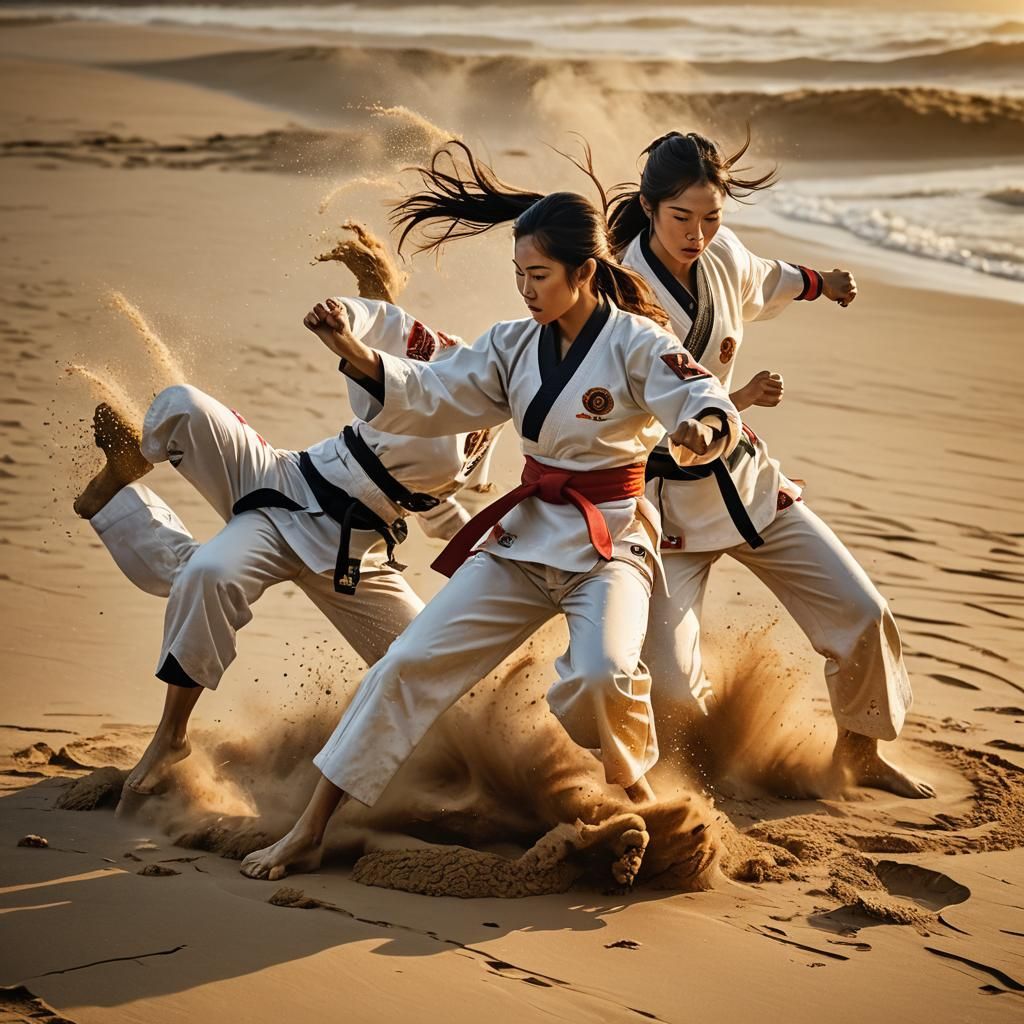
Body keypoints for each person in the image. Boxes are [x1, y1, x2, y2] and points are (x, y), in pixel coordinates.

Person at [240, 143, 741, 881]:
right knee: (407, 664)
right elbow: (434, 393)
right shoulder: (513, 345)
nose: (526, 291)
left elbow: (701, 397)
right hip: (524, 538)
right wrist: (357, 354)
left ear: (583, 271)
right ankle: (312, 828)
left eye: (537, 277)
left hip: (611, 546)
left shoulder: (639, 343)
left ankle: (637, 797)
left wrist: (703, 429)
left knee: (602, 676)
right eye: (518, 277)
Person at [609, 130, 931, 798]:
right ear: (647, 206)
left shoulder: (721, 251)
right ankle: (702, 784)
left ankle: (860, 752)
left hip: (749, 483)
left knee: (862, 614)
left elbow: (768, 277)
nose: (698, 234)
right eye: (681, 218)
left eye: (712, 217)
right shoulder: (615, 293)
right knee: (667, 679)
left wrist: (825, 283)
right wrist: (735, 399)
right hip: (666, 509)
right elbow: (613, 418)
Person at [73, 303, 497, 798]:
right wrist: (344, 317)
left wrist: (488, 553)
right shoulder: (440, 354)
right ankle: (172, 736)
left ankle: (431, 776)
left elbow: (437, 509)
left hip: (354, 554)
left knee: (429, 669)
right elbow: (382, 324)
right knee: (183, 418)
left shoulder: (491, 429)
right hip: (287, 484)